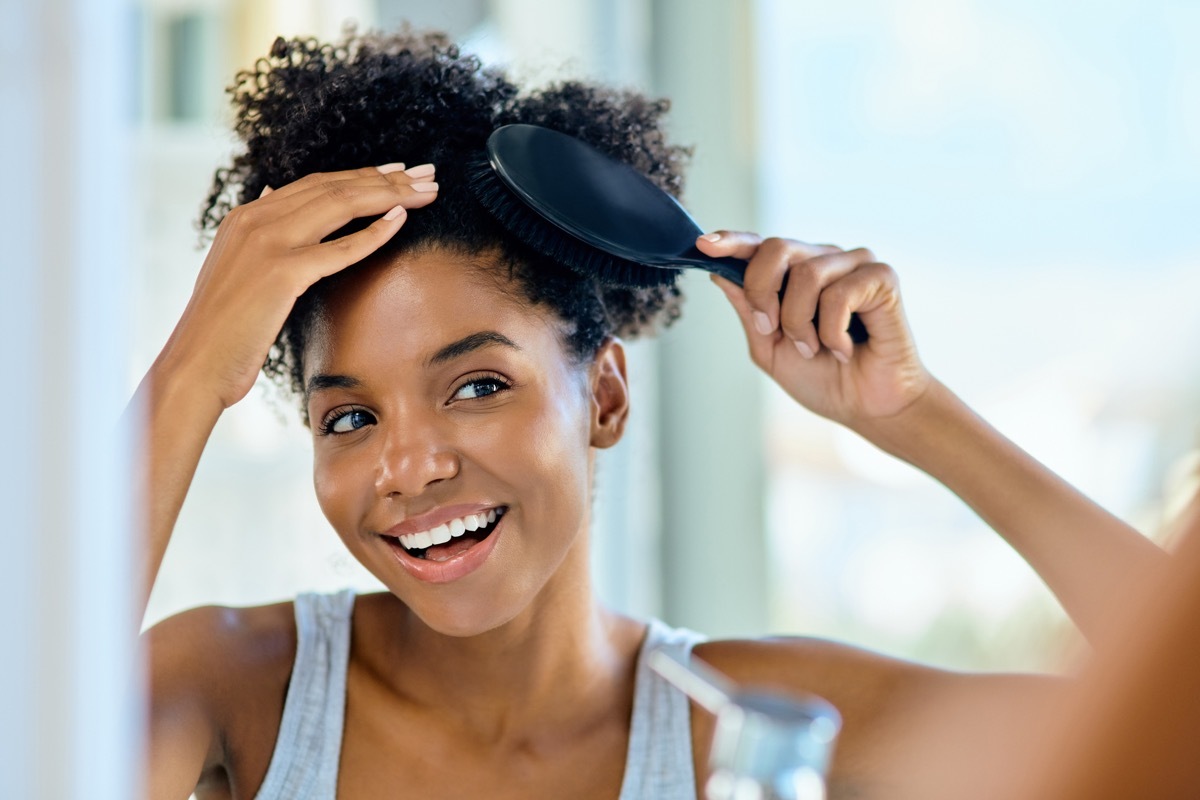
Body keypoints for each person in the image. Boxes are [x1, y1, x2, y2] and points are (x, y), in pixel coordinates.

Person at [135, 29, 1168, 799]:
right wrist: (185, 376)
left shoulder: (757, 724)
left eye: (478, 385)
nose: (407, 465)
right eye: (348, 417)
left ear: (608, 397)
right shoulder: (238, 689)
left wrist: (915, 414)